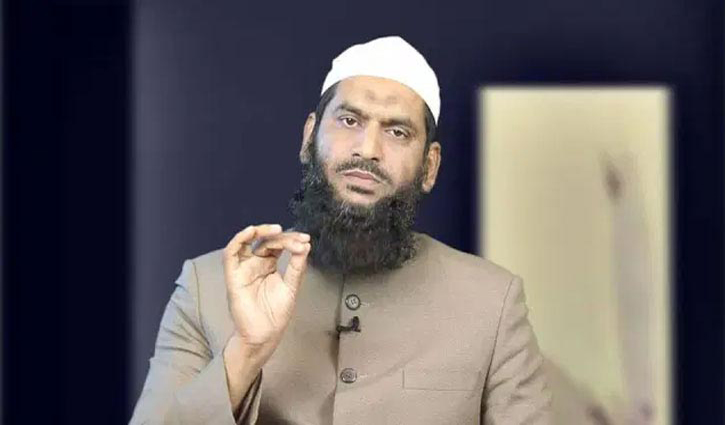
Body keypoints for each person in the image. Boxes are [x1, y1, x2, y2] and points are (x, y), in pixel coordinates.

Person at [130, 35, 551, 425]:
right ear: (309, 137)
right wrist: (246, 352)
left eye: (397, 132)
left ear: (430, 166)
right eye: (349, 121)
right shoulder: (207, 287)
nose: (368, 150)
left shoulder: (492, 302)